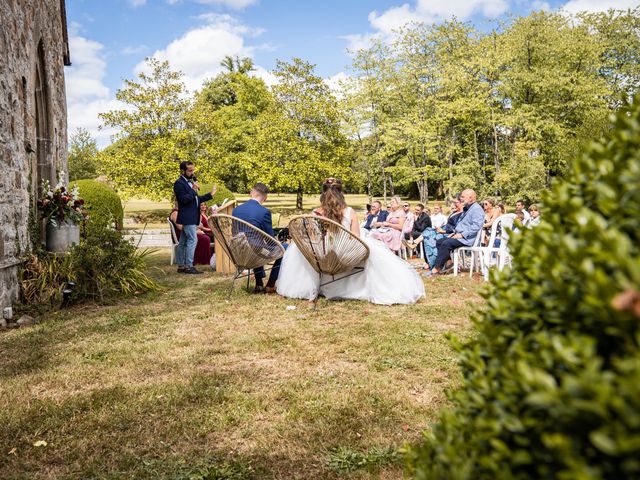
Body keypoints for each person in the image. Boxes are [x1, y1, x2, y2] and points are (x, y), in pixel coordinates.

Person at [277, 178, 424, 305]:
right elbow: (356, 239)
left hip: (320, 257)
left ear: (323, 193)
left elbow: (312, 239)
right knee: (374, 252)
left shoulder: (315, 213)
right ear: (341, 193)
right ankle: (374, 287)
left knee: (298, 249)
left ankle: (307, 287)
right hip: (344, 256)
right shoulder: (349, 212)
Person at [232, 183, 282, 293]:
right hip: (255, 252)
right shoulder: (264, 212)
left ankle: (259, 283)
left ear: (251, 193)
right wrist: (279, 242)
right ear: (265, 198)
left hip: (237, 251)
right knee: (284, 248)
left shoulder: (236, 210)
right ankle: (270, 284)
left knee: (255, 244)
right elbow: (271, 240)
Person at [425, 189, 484, 276]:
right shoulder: (468, 208)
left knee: (446, 243)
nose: (461, 198)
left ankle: (436, 269)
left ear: (471, 197)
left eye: (463, 197)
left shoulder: (476, 209)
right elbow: (462, 225)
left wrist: (461, 235)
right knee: (440, 241)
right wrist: (454, 233)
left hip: (468, 239)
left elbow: (476, 226)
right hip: (460, 235)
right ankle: (449, 262)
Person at [173, 160, 216, 274]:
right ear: (183, 171)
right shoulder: (179, 183)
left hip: (191, 216)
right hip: (187, 217)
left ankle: (181, 265)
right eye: (190, 170)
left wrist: (210, 195)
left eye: (193, 170)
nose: (192, 172)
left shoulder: (191, 182)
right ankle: (189, 266)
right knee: (193, 239)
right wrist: (193, 189)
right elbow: (183, 200)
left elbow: (196, 199)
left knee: (183, 241)